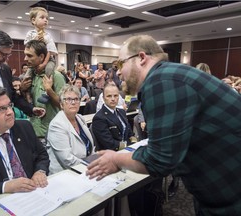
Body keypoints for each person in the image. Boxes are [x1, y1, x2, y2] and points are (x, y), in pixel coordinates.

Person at [87, 35, 241, 215]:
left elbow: (159, 160)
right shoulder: (170, 75)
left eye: (121, 64)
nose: (118, 72)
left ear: (142, 58)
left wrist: (115, 160)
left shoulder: (161, 81)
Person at [23, 40, 65, 140]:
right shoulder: (30, 76)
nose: (25, 59)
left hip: (51, 133)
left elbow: (63, 105)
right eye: (25, 55)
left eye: (30, 56)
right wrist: (22, 89)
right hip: (33, 131)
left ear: (41, 57)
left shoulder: (56, 76)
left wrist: (49, 90)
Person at [47, 84, 94, 174]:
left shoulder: (80, 118)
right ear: (61, 104)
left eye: (76, 99)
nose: (73, 102)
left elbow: (90, 148)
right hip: (65, 174)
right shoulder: (57, 125)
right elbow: (67, 159)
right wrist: (91, 166)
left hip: (85, 170)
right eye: (68, 99)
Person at [24, 7, 58, 104]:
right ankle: (27, 93)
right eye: (42, 17)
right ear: (33, 20)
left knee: (48, 70)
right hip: (35, 61)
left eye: (47, 18)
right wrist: (35, 40)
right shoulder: (30, 34)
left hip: (48, 59)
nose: (45, 20)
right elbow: (27, 47)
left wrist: (44, 64)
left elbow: (50, 51)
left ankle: (46, 92)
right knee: (27, 75)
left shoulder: (48, 36)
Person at [92, 83, 137, 151]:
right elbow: (109, 144)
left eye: (116, 96)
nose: (113, 99)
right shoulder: (99, 118)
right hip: (112, 154)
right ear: (103, 98)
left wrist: (134, 143)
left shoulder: (121, 112)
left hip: (127, 149)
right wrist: (128, 145)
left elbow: (130, 133)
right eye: (109, 96)